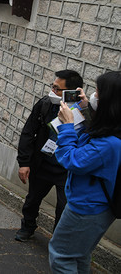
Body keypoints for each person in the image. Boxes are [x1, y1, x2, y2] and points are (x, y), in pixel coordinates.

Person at [49, 71, 121, 273]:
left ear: (110, 102)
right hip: (96, 206)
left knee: (61, 256)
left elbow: (72, 159)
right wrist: (86, 110)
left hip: (87, 208)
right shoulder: (113, 130)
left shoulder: (109, 144)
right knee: (79, 255)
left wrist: (67, 127)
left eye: (98, 92)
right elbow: (92, 137)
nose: (93, 96)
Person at [15, 70, 83, 242]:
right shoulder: (45, 105)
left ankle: (58, 241)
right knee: (32, 200)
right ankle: (27, 227)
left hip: (67, 171)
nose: (52, 91)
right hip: (43, 164)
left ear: (71, 93)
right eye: (52, 86)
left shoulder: (83, 114)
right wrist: (24, 162)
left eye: (57, 88)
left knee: (63, 208)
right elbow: (28, 133)